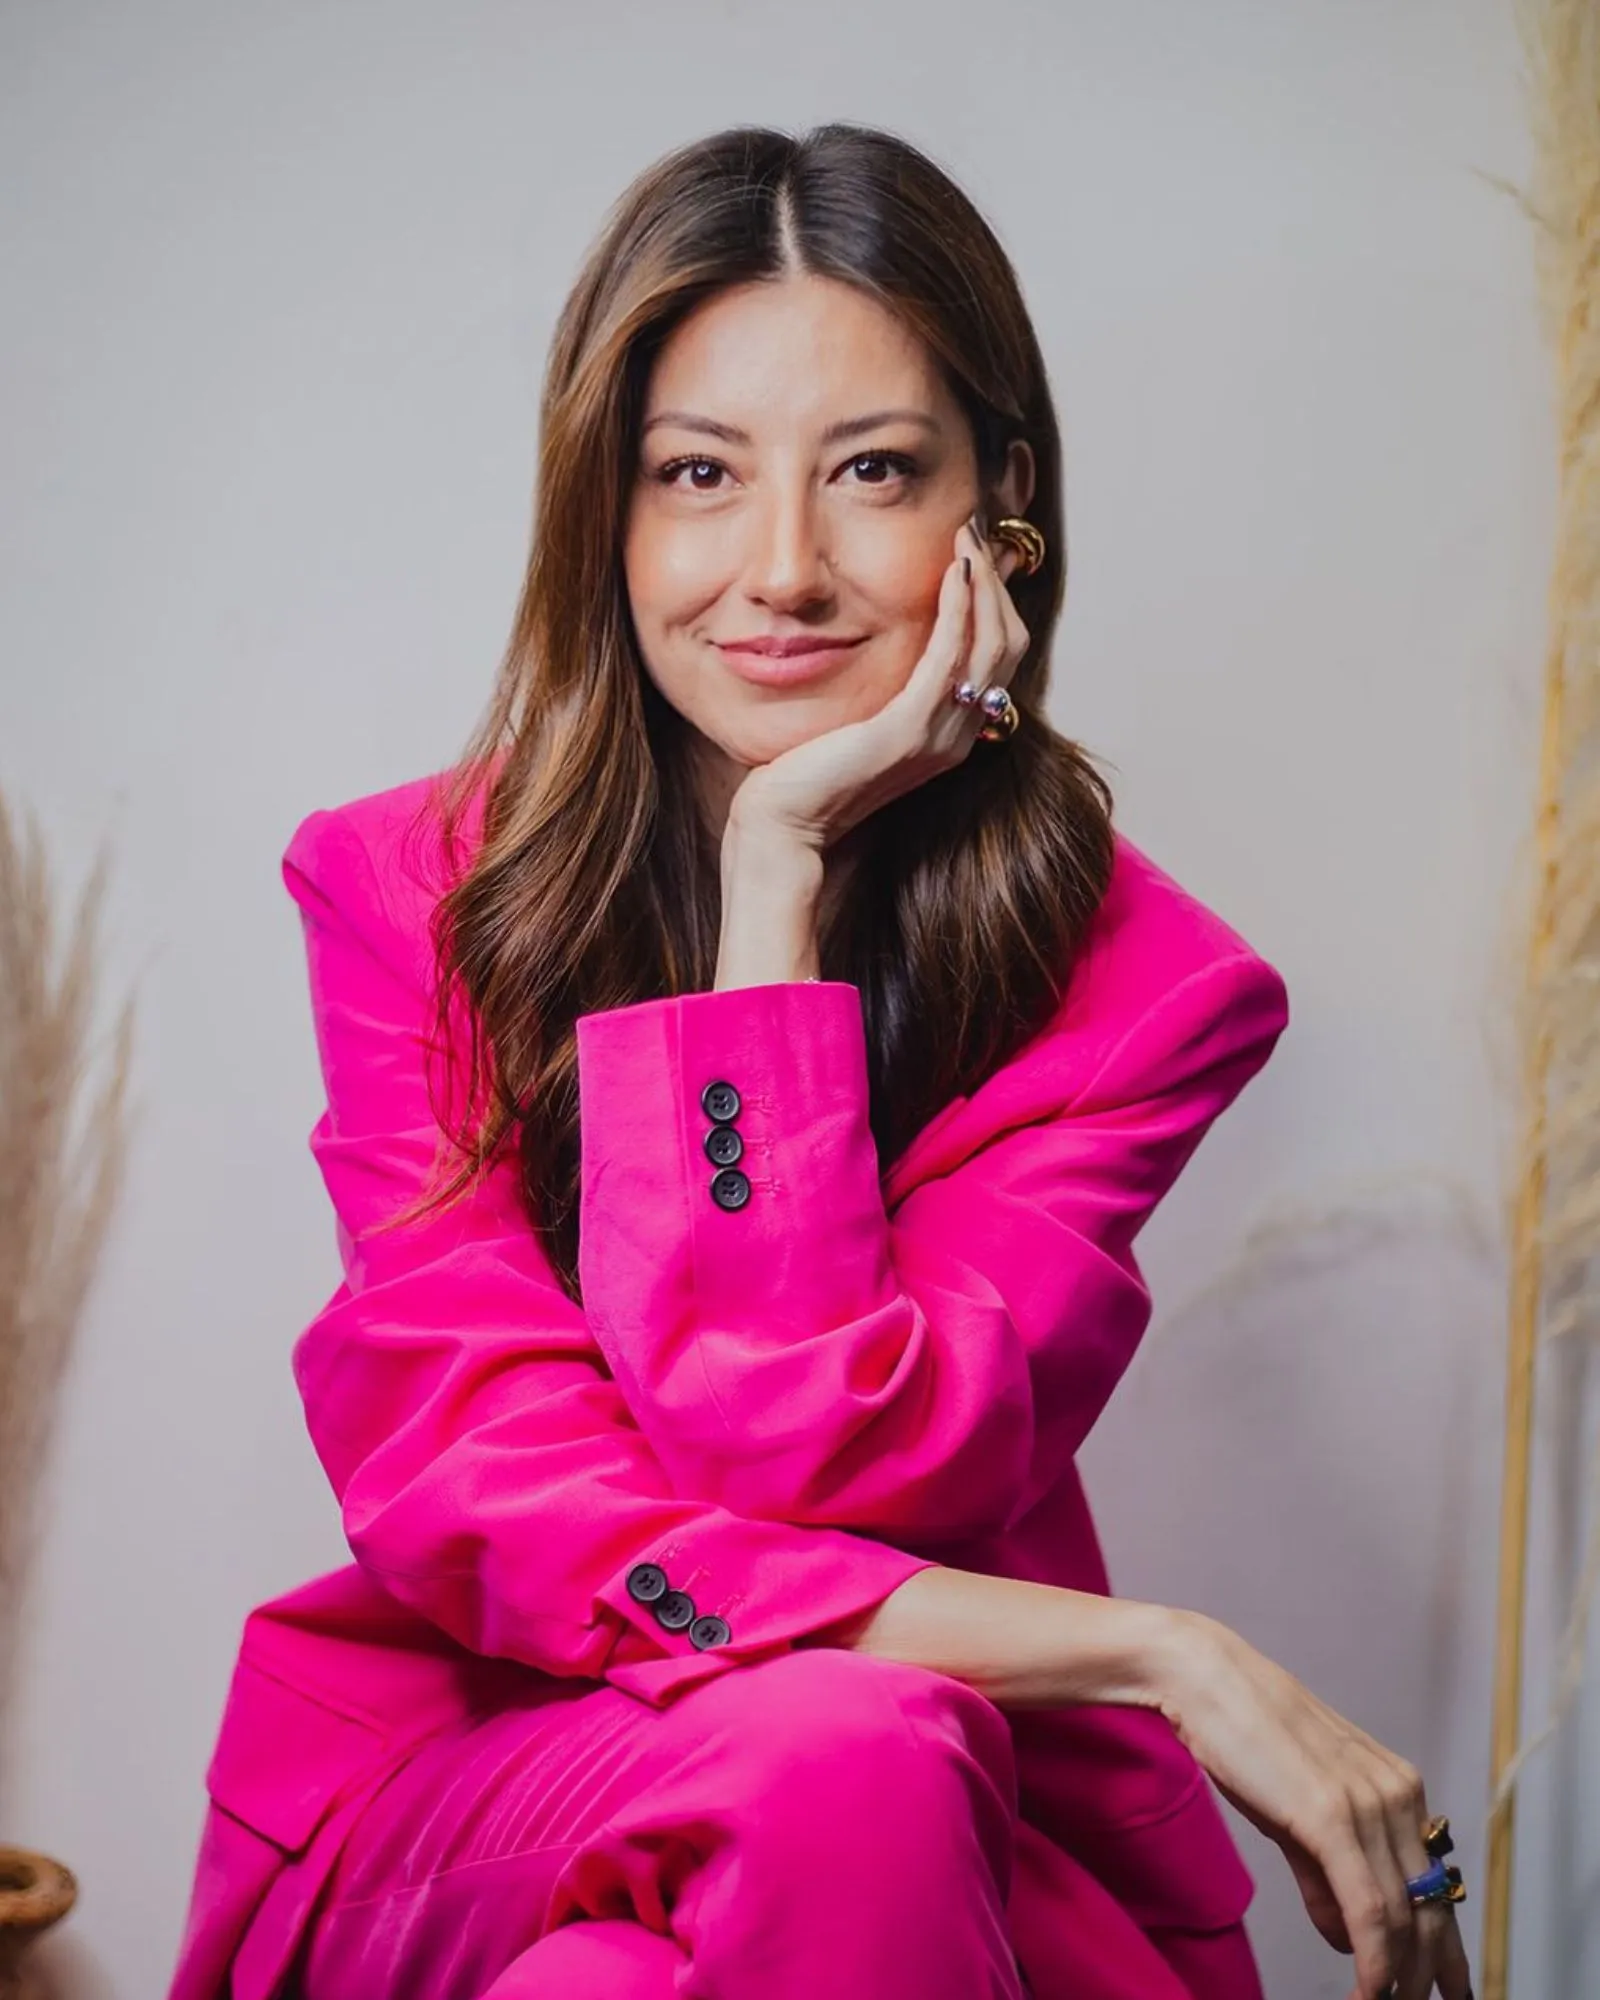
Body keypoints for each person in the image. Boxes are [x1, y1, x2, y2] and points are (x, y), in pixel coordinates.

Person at [166, 122, 1473, 2000]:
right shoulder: (409, 893)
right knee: (843, 1752)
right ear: (605, 511)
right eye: (698, 473)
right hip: (480, 1789)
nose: (780, 569)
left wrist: (769, 888)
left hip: (929, 1804)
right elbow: (494, 1492)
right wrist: (1159, 1651)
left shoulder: (1148, 994)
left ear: (999, 505)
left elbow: (831, 1460)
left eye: (872, 471)